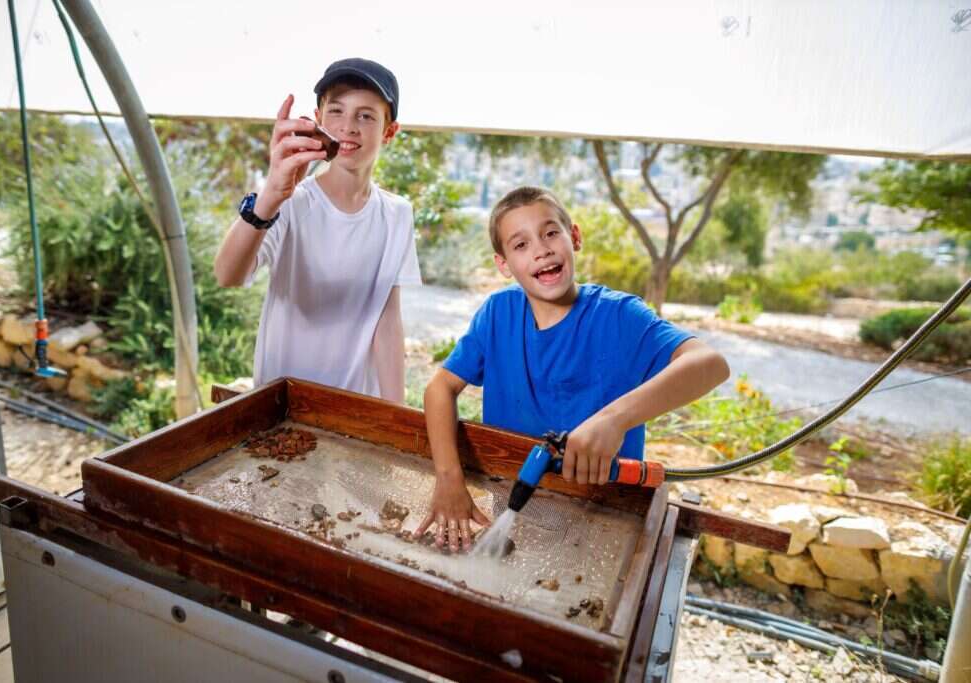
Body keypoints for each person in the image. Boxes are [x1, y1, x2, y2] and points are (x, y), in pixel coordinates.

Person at [416, 186, 730, 550]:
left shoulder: (620, 316)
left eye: (551, 233)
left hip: (605, 517)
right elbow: (439, 388)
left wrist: (614, 419)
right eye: (520, 245)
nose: (541, 249)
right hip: (517, 513)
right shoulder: (497, 314)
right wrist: (449, 479)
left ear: (574, 237)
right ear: (503, 264)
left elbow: (710, 364)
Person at [214, 58, 421, 401]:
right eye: (337, 111)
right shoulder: (289, 202)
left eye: (366, 115)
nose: (349, 127)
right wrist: (269, 197)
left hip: (356, 407)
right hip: (281, 405)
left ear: (389, 131)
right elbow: (227, 275)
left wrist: (396, 418)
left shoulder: (397, 214)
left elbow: (387, 321)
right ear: (318, 118)